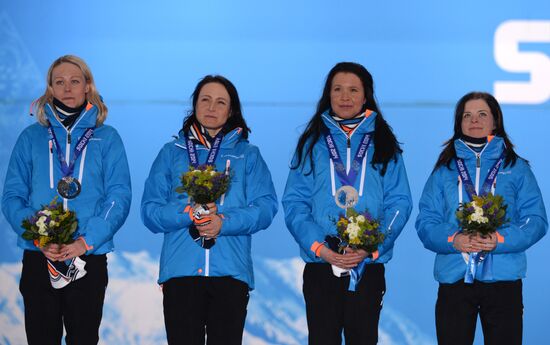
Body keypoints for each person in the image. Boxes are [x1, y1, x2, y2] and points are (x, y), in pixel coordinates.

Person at [1, 55, 132, 345]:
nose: (67, 88)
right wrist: (39, 238)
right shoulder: (31, 138)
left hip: (87, 257)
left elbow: (119, 196)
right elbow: (12, 197)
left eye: (75, 81)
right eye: (59, 82)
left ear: (88, 86)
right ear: (50, 89)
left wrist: (85, 242)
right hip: (39, 257)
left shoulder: (107, 138)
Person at [141, 75, 278, 345]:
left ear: (231, 110)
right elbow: (150, 211)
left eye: (220, 102)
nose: (211, 107)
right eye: (205, 99)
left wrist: (223, 222)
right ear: (194, 105)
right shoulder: (171, 153)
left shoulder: (248, 155)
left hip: (230, 273)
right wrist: (188, 213)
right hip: (181, 273)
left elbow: (266, 207)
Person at [282, 62, 412, 345]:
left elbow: (400, 202)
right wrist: (320, 248)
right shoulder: (312, 143)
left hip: (366, 266)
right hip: (321, 265)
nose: (344, 96)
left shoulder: (384, 143)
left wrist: (372, 246)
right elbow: (295, 203)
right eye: (337, 89)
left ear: (365, 96)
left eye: (353, 90)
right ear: (328, 95)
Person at [415, 91, 547, 345]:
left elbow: (536, 220)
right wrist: (455, 239)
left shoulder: (516, 168)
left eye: (482, 114)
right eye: (467, 115)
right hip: (454, 277)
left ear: (495, 121)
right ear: (459, 123)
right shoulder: (444, 170)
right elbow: (426, 221)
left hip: (504, 279)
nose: (474, 120)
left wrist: (500, 239)